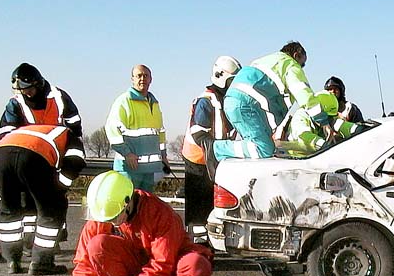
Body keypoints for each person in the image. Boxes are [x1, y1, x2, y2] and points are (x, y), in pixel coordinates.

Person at [74, 171, 214, 276]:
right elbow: (85, 261)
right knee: (97, 245)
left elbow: (161, 264)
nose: (109, 222)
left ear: (127, 203)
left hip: (170, 265)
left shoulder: (159, 213)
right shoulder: (103, 213)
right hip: (137, 267)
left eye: (114, 217)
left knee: (194, 268)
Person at [0, 63, 83, 233]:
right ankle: (29, 241)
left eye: (28, 89)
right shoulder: (15, 103)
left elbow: (74, 126)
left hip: (54, 158)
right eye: (21, 90)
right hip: (29, 159)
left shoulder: (59, 97)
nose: (25, 93)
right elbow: (6, 134)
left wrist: (67, 156)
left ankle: (54, 238)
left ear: (38, 84)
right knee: (28, 201)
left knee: (55, 199)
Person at [211, 41, 332, 164]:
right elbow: (304, 95)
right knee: (263, 149)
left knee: (258, 146)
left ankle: (221, 158)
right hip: (246, 105)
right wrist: (323, 122)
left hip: (234, 102)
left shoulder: (265, 60)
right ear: (296, 55)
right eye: (303, 64)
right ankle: (216, 148)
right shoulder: (290, 65)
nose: (302, 67)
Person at [0, 124, 86, 275]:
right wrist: (59, 189)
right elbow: (75, 162)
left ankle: (12, 261)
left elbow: (0, 189)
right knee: (50, 213)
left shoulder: (24, 130)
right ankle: (42, 263)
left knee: (8, 212)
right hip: (34, 157)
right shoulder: (69, 136)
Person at [181, 55, 242, 244]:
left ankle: (207, 243)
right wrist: (215, 149)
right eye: (232, 80)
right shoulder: (206, 100)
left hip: (212, 161)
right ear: (221, 76)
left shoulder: (224, 101)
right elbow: (198, 132)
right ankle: (198, 245)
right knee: (199, 208)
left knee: (210, 205)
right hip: (198, 162)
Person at [105, 65, 168, 192]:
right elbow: (112, 129)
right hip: (128, 168)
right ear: (132, 79)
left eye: (146, 76)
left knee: (144, 208)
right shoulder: (124, 101)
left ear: (151, 79)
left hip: (148, 170)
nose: (142, 79)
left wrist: (164, 156)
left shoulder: (154, 103)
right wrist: (127, 153)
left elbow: (160, 133)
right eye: (139, 75)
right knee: (128, 207)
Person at [287, 91, 362, 153]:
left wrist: (359, 129)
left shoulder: (330, 119)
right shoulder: (301, 116)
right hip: (298, 160)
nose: (329, 120)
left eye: (331, 117)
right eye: (328, 117)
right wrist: (324, 145)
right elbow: (304, 137)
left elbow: (340, 125)